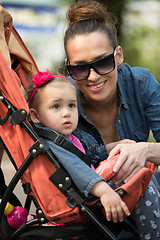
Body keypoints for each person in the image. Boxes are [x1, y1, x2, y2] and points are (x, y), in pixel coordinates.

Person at [63, 1, 160, 239]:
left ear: (118, 56)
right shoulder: (61, 101)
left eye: (102, 62)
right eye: (80, 69)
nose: (93, 77)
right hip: (94, 205)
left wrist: (144, 150)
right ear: (69, 69)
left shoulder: (142, 84)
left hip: (147, 198)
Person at [27, 71, 160, 240]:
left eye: (71, 105)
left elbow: (93, 153)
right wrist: (104, 192)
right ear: (35, 116)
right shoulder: (52, 144)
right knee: (144, 184)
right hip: (88, 194)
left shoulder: (71, 137)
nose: (66, 113)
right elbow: (77, 169)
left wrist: (116, 146)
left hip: (95, 185)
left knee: (147, 172)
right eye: (56, 106)